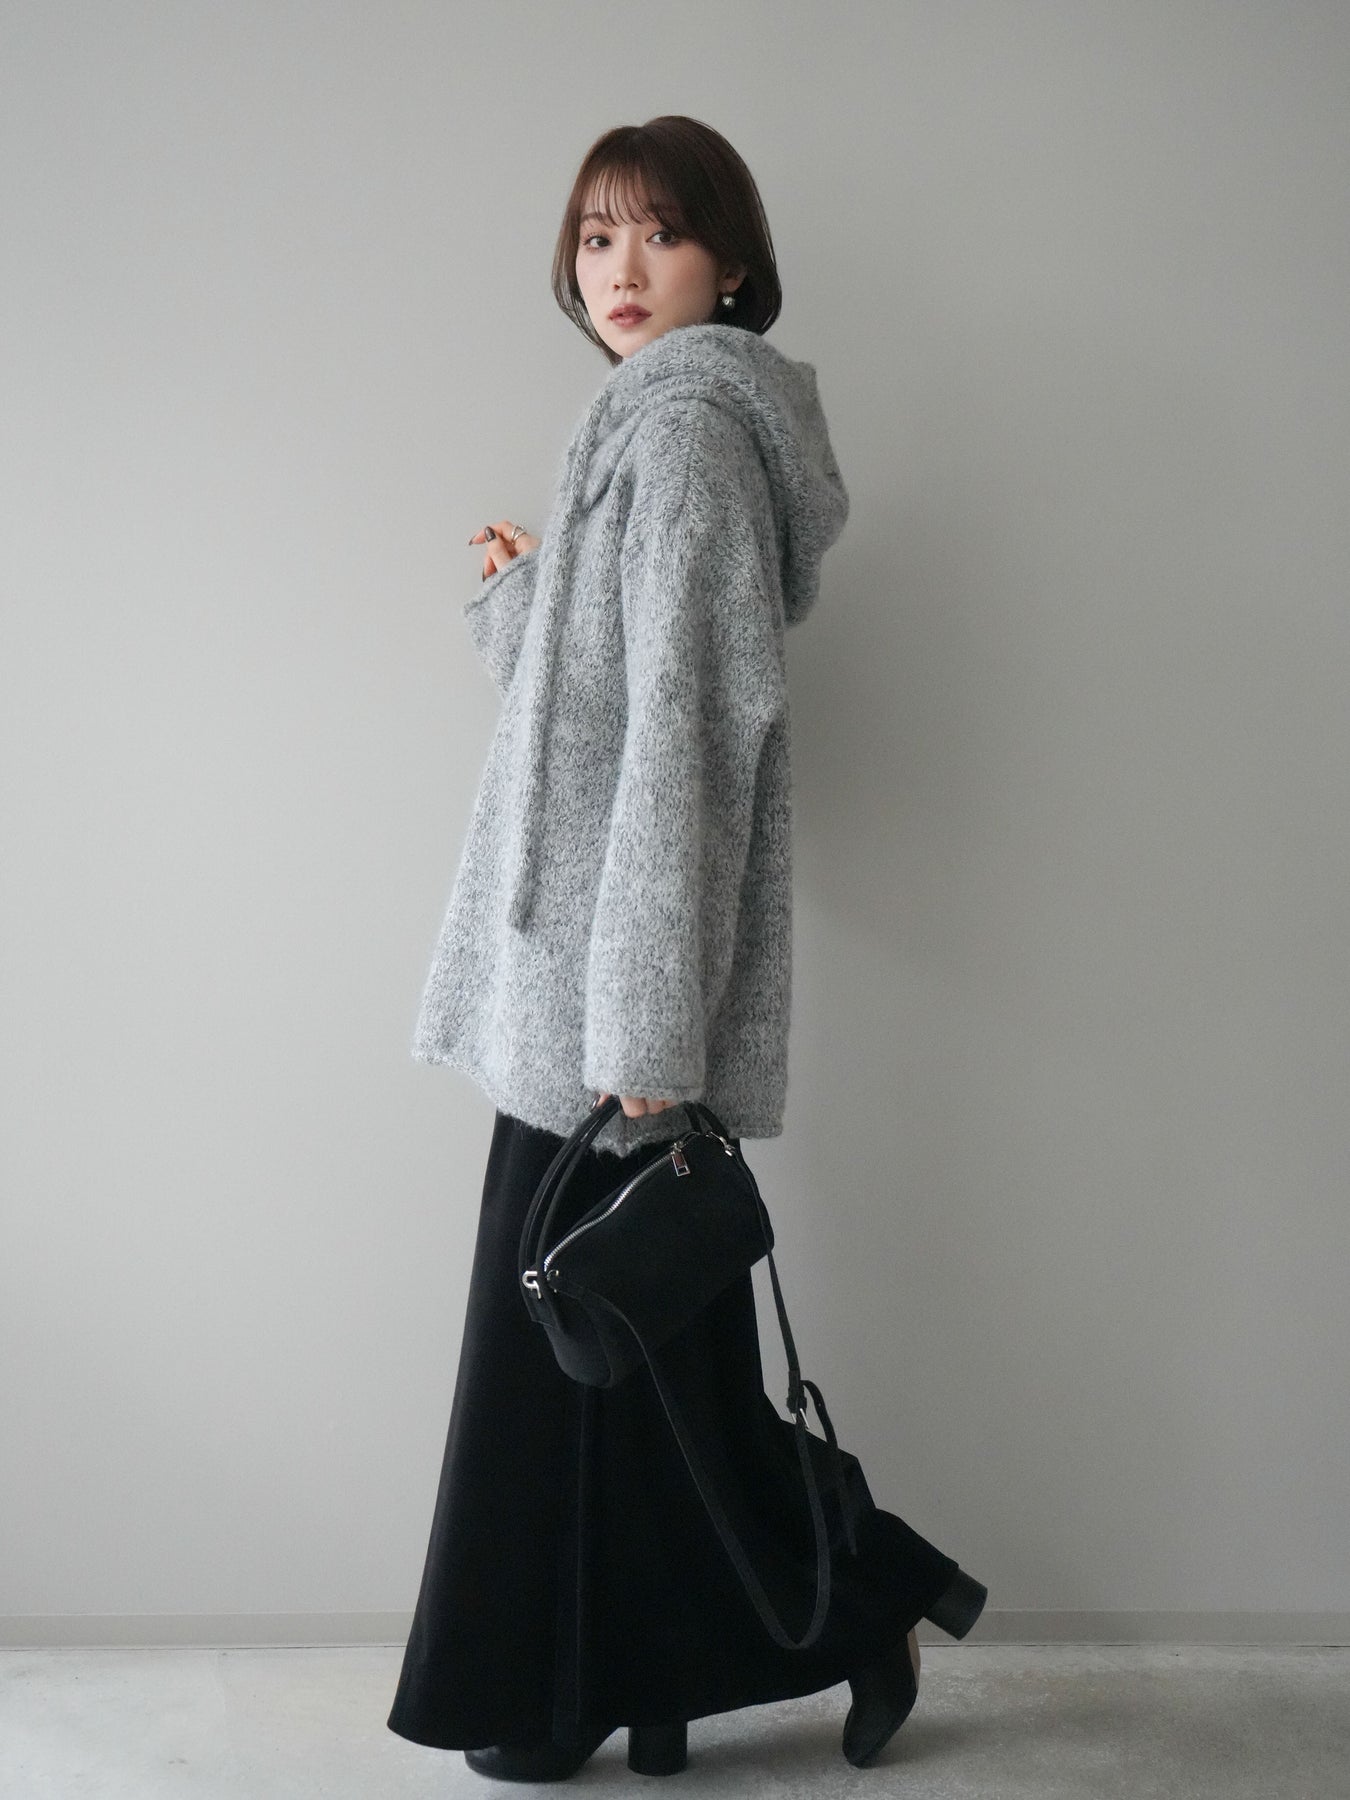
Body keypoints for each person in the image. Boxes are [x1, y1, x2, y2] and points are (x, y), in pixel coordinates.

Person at [385, 115, 987, 1783]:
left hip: (609, 1008)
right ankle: (651, 1671)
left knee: (596, 1358)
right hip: (581, 992)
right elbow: (604, 699)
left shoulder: (692, 441)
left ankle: (782, 1626)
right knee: (629, 1365)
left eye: (658, 232)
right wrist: (531, 598)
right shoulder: (643, 429)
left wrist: (649, 1030)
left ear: (731, 262)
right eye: (595, 238)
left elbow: (687, 749)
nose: (622, 268)